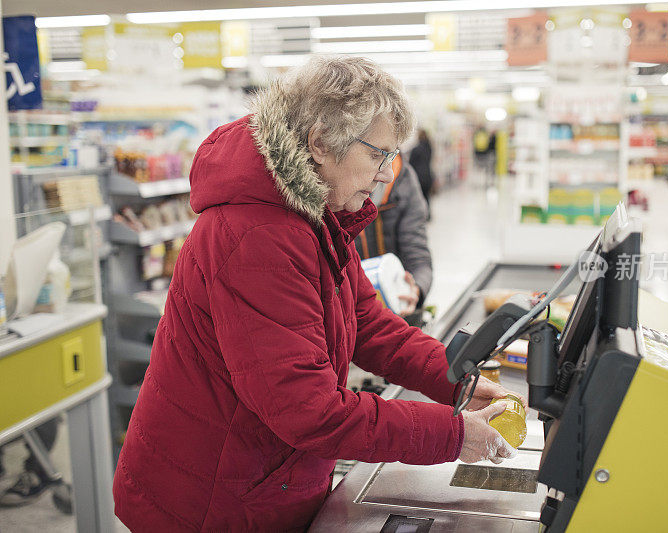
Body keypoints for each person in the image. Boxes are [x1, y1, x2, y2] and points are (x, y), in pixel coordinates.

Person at [112, 56, 520, 532]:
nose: (388, 174)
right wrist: (450, 435)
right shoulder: (256, 235)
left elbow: (368, 322)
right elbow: (308, 410)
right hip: (210, 500)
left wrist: (456, 383)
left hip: (261, 478)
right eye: (377, 155)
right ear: (321, 143)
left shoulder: (311, 214)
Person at [355, 152, 432, 320]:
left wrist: (416, 289)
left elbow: (419, 258)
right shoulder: (341, 180)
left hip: (396, 309)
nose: (386, 174)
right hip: (352, 312)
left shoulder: (404, 181)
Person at [408, 129, 434, 209]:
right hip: (428, 175)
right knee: (427, 196)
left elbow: (410, 163)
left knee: (420, 196)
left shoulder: (416, 149)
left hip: (419, 176)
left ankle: (423, 213)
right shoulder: (429, 148)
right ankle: (428, 213)